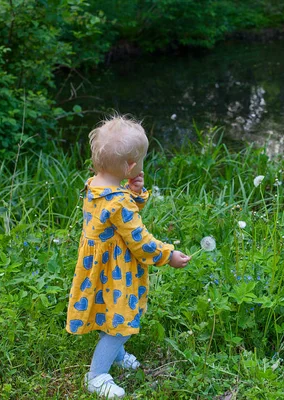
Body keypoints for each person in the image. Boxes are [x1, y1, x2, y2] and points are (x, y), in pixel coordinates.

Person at [65, 115, 191, 398]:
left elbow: (117, 214)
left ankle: (117, 355)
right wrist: (168, 255)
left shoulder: (96, 185)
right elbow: (141, 242)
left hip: (96, 267)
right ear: (130, 166)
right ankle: (96, 376)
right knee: (121, 320)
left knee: (106, 309)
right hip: (115, 270)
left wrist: (134, 193)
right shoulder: (119, 201)